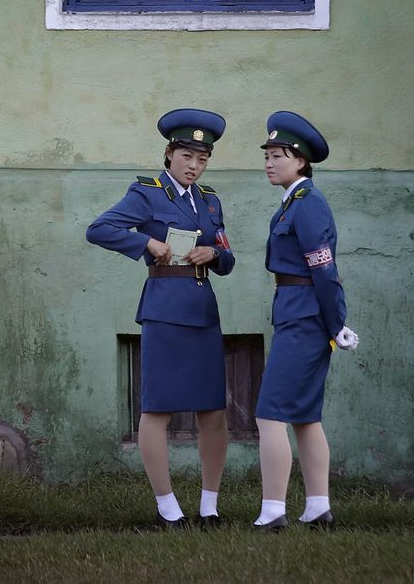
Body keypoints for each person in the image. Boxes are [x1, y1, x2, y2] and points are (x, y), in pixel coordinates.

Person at [85, 108, 236, 529]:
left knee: (213, 411)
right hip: (164, 310)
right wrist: (146, 242)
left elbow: (229, 257)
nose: (194, 165)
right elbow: (99, 229)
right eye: (187, 156)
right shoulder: (146, 192)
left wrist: (215, 254)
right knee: (158, 409)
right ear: (169, 154)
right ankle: (168, 508)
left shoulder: (210, 201)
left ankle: (209, 507)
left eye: (202, 159)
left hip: (203, 310)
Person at [253, 111, 359, 531]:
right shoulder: (294, 203)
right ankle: (317, 507)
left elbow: (324, 269)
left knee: (270, 414)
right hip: (302, 313)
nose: (269, 162)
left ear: (300, 161)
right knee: (305, 416)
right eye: (267, 155)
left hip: (305, 316)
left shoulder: (307, 204)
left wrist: (336, 324)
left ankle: (273, 510)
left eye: (278, 155)